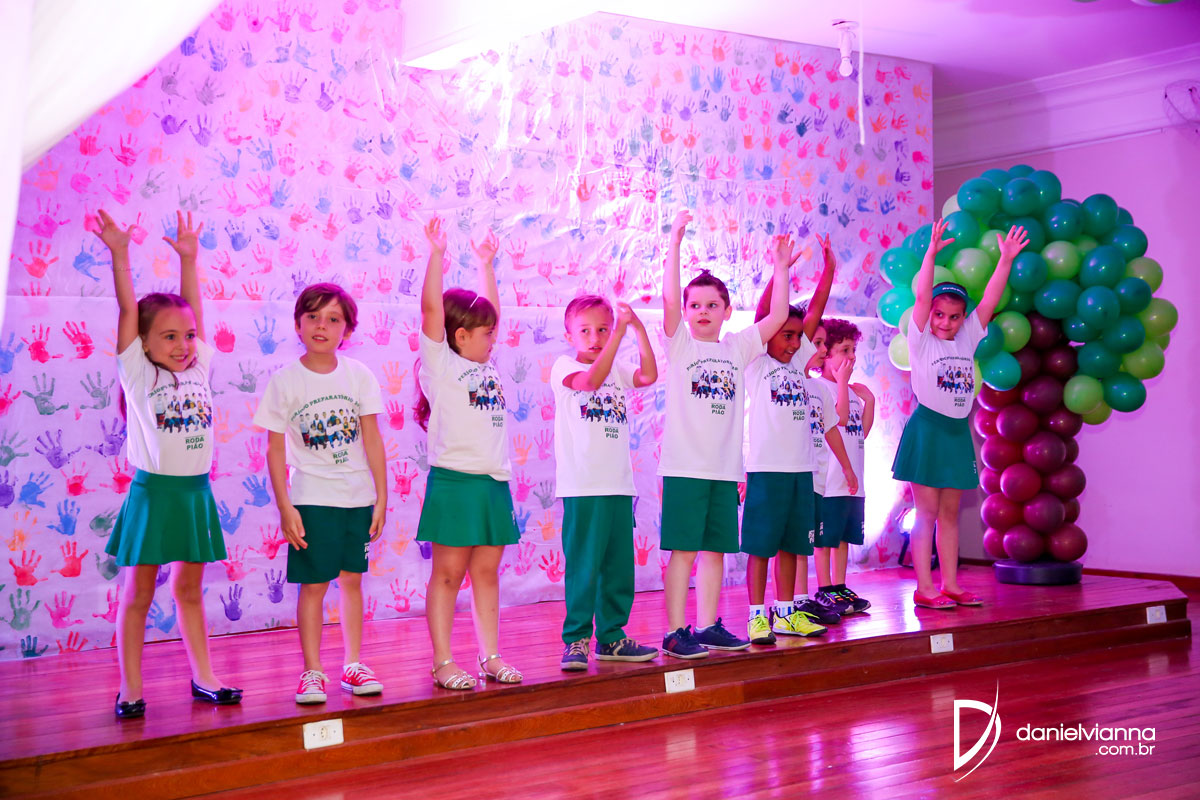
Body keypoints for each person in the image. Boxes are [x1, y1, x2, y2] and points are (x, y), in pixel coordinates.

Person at [95, 209, 240, 719]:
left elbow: (190, 308)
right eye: (169, 337)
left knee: (189, 591)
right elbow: (127, 309)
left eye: (188, 336)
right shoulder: (138, 373)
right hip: (153, 495)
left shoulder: (199, 366)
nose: (183, 345)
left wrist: (189, 261)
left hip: (195, 494)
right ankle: (130, 687)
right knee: (137, 593)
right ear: (144, 342)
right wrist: (120, 254)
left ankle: (204, 676)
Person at [658, 209, 792, 659]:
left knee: (715, 551)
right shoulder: (681, 344)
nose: (702, 312)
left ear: (727, 311)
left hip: (723, 471)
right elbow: (669, 302)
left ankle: (708, 625)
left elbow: (778, 315)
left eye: (712, 305)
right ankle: (675, 632)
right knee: (684, 551)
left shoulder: (736, 347)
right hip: (685, 468)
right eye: (695, 305)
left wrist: (780, 268)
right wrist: (675, 243)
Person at [254, 283, 388, 704]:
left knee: (352, 581)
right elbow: (274, 449)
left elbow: (372, 438)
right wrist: (285, 506)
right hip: (311, 499)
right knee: (313, 585)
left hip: (357, 498)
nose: (321, 326)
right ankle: (312, 671)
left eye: (333, 319)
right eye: (312, 316)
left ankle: (353, 664)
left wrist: (381, 497)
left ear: (347, 329)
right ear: (297, 324)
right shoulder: (285, 381)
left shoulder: (359, 375)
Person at [894, 220, 1029, 609]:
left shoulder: (968, 337)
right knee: (927, 512)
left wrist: (1005, 260)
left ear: (963, 318)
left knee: (950, 513)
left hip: (956, 432)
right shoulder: (921, 340)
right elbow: (922, 296)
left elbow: (989, 300)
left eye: (954, 317)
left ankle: (950, 584)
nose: (945, 322)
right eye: (939, 315)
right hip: (927, 430)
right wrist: (930, 255)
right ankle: (925, 588)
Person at [415, 217, 521, 689]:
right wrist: (437, 254)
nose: (494, 340)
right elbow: (431, 311)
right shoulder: (440, 365)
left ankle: (489, 656)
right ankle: (442, 661)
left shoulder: (487, 365)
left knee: (486, 574)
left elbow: (489, 311)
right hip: (455, 483)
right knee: (447, 574)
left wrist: (486, 264)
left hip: (493, 483)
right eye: (486, 334)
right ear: (460, 336)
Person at [741, 233, 838, 645]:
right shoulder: (756, 361)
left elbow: (815, 309)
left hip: (801, 470)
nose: (796, 343)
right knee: (761, 546)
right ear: (769, 335)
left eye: (800, 337)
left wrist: (829, 270)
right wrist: (780, 270)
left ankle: (785, 613)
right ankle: (756, 616)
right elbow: (766, 312)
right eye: (787, 335)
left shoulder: (798, 362)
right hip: (767, 470)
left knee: (791, 546)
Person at [553, 295, 659, 670]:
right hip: (583, 487)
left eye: (603, 329)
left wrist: (638, 329)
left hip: (618, 486)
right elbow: (590, 381)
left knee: (618, 568)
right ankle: (576, 639)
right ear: (569, 335)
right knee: (584, 565)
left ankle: (611, 637)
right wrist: (618, 334)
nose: (595, 337)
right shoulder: (564, 366)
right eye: (585, 330)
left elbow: (648, 376)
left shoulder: (616, 369)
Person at [814, 318, 874, 614]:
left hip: (852, 480)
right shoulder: (820, 387)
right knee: (825, 538)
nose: (851, 357)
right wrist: (841, 384)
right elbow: (838, 421)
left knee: (842, 538)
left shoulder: (849, 390)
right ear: (825, 354)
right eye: (844, 350)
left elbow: (860, 432)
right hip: (830, 480)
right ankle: (824, 588)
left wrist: (870, 401)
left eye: (854, 350)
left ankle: (840, 586)